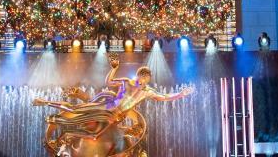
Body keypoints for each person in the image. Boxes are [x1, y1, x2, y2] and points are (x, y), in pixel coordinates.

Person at [34, 54, 193, 145]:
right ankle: (44, 102)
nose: (144, 81)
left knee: (94, 135)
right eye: (143, 77)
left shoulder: (147, 92)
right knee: (75, 110)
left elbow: (164, 97)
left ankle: (66, 136)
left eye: (147, 79)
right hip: (107, 108)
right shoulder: (126, 81)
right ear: (139, 76)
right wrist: (114, 68)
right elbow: (109, 82)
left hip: (115, 117)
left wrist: (179, 95)